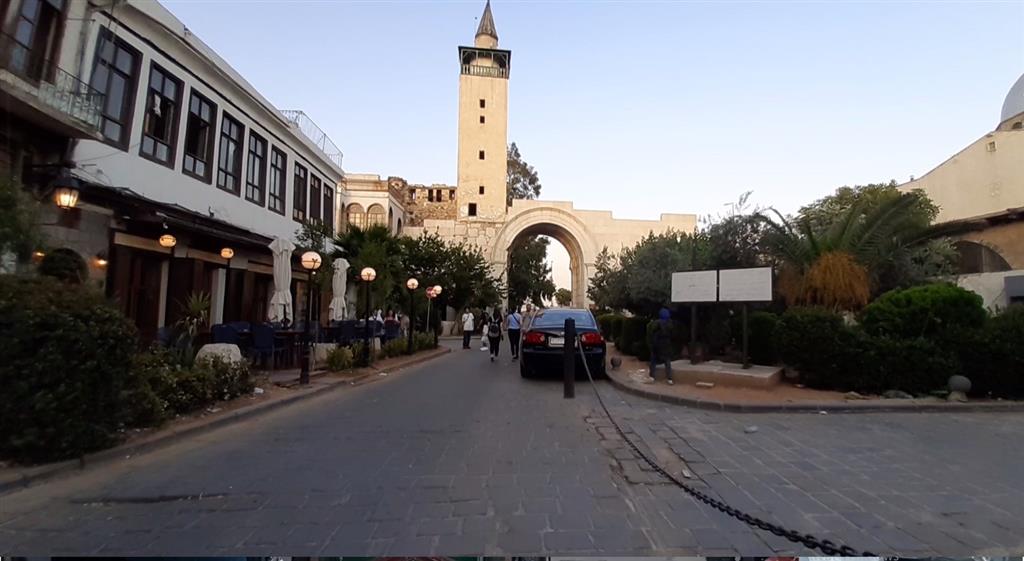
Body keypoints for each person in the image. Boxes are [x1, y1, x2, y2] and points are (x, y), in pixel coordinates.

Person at [648, 307, 674, 384]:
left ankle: (652, 377)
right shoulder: (670, 324)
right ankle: (669, 378)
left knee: (653, 360)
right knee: (667, 361)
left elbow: (652, 331)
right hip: (666, 344)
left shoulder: (656, 323)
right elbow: (672, 334)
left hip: (657, 344)